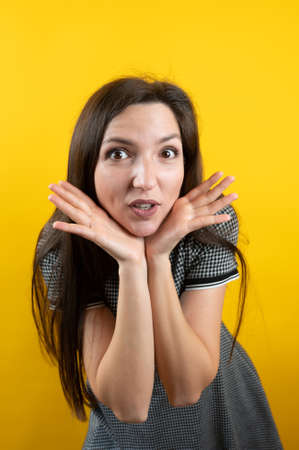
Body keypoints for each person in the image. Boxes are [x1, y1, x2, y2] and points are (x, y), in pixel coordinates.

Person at [32, 76, 283, 449]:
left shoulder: (208, 225)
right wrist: (132, 264)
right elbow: (129, 405)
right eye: (119, 153)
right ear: (88, 164)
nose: (144, 180)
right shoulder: (65, 245)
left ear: (185, 163)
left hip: (225, 421)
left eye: (166, 153)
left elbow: (185, 388)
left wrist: (159, 258)